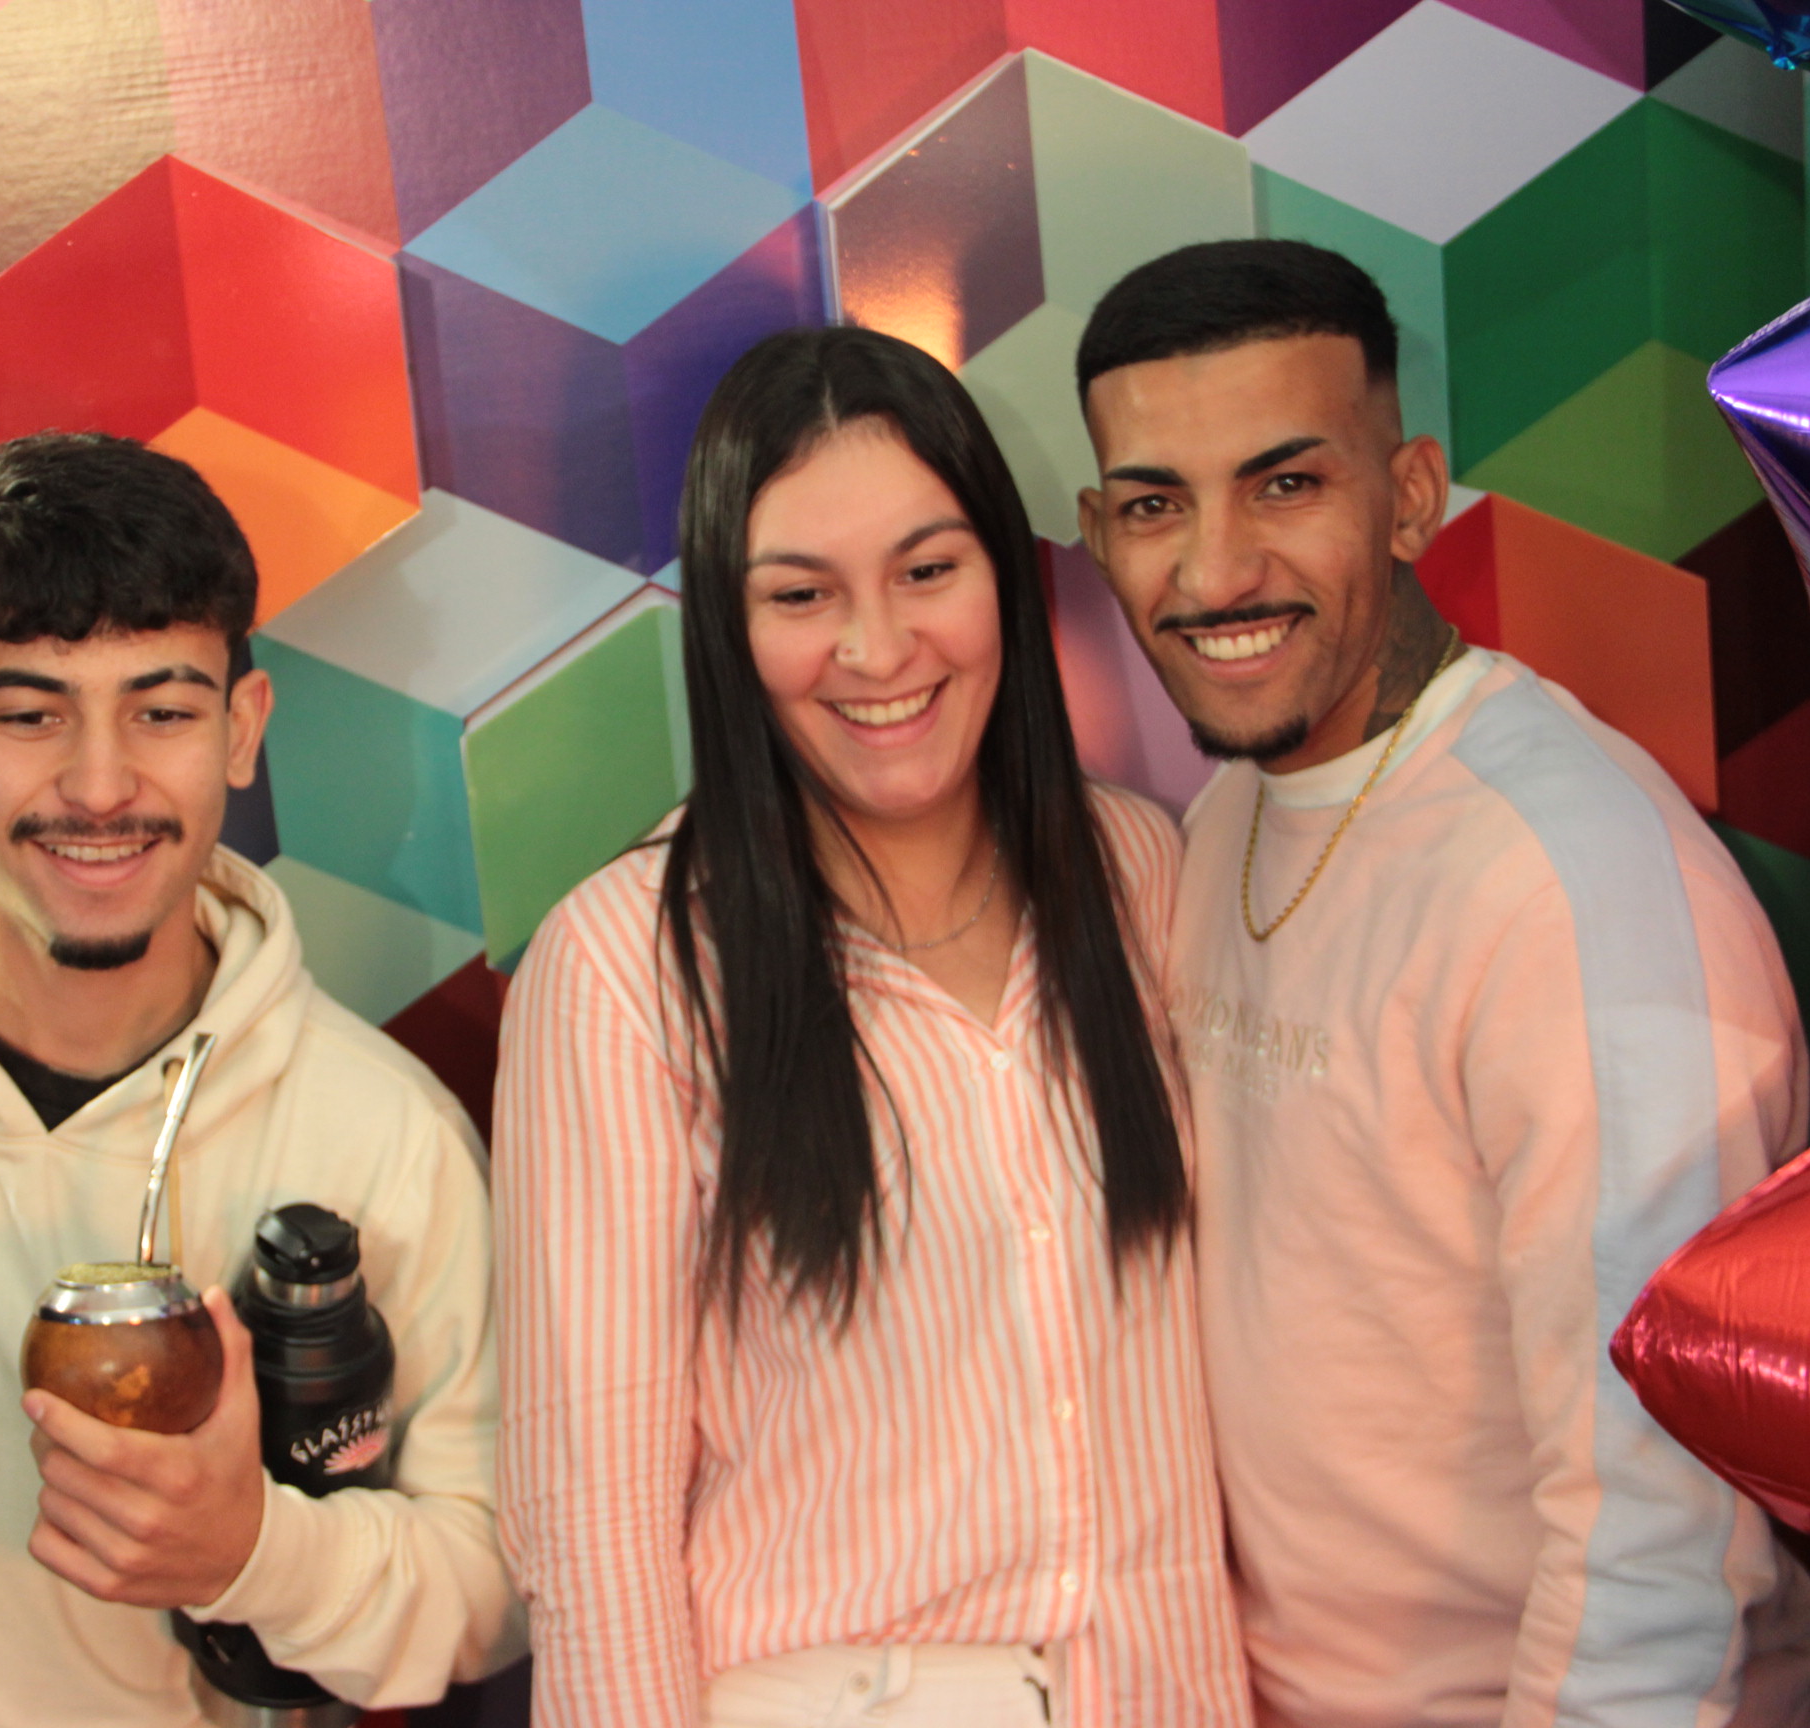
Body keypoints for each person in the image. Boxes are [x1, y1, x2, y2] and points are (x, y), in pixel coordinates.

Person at [1071, 238, 1810, 1727]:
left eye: (1287, 484)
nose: (1216, 572)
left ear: (1412, 495)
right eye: (1158, 504)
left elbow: (1661, 1529)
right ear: (1100, 534)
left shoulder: (1576, 887)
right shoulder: (1225, 818)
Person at [495, 325, 1250, 1728]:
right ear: (729, 628)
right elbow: (591, 1529)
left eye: (927, 571)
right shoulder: (624, 968)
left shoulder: (1141, 873)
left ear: (1005, 577)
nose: (879, 648)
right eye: (802, 594)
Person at [0, 430, 523, 1726]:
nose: (100, 787)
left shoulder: (388, 1132)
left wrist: (253, 1551)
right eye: (28, 714)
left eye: (161, 711)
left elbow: (493, 1588)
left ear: (241, 728)